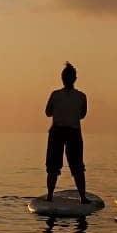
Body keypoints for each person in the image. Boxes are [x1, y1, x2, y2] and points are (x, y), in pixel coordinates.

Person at [44, 62, 89, 203]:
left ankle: (51, 196)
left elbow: (48, 112)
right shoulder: (80, 96)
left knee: (67, 166)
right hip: (67, 131)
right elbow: (82, 115)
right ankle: (81, 197)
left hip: (65, 132)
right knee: (71, 167)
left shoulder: (59, 95)